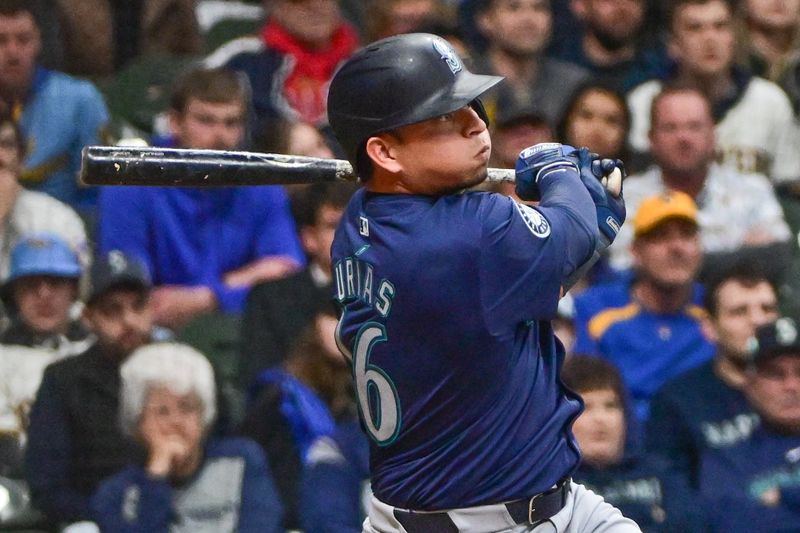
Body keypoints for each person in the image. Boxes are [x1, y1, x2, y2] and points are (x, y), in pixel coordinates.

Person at [326, 33, 635, 531]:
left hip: (534, 502)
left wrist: (581, 230)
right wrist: (560, 172)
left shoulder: (361, 220)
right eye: (445, 117)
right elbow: (569, 231)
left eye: (472, 106)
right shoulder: (464, 231)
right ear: (384, 152)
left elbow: (515, 290)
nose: (477, 126)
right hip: (479, 522)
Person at [98, 67, 305, 329]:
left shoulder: (260, 181)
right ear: (175, 122)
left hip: (242, 328)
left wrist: (209, 297)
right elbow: (128, 285)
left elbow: (285, 270)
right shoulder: (133, 179)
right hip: (153, 331)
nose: (220, 136)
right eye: (206, 120)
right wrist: (244, 282)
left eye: (231, 123)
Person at [24, 250, 159, 528]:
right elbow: (47, 486)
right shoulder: (63, 381)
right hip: (94, 518)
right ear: (88, 317)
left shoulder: (184, 371)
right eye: (113, 310)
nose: (129, 321)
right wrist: (112, 514)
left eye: (138, 307)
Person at [90, 342, 284, 532]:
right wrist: (156, 477)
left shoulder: (242, 460)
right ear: (138, 423)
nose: (176, 421)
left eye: (187, 408)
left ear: (204, 416)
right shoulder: (116, 493)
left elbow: (263, 523)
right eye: (162, 411)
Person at [609, 84, 792, 275]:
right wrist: (738, 256)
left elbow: (778, 257)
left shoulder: (753, 189)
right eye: (670, 128)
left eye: (694, 126)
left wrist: (671, 263)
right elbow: (622, 267)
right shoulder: (625, 197)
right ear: (651, 139)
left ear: (713, 134)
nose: (683, 138)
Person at [573, 191, 715, 422]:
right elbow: (584, 390)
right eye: (660, 237)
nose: (676, 247)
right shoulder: (595, 307)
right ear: (636, 251)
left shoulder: (717, 308)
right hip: (626, 441)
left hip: (701, 437)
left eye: (687, 236)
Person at [626, 0, 800, 184]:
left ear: (734, 36)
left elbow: (788, 190)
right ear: (673, 43)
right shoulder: (644, 101)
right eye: (694, 28)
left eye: (720, 27)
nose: (709, 39)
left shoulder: (769, 102)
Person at [647, 261, 778, 489]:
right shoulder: (678, 400)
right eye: (739, 312)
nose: (758, 321)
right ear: (709, 327)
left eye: (767, 309)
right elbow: (673, 490)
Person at [240, 181, 356, 388]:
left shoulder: (393, 291)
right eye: (334, 226)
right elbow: (260, 379)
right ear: (310, 238)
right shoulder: (271, 299)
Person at [563, 356, 699, 532]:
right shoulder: (552, 490)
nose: (601, 419)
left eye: (611, 406)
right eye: (586, 407)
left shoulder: (661, 474)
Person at [0, 0, 111, 214]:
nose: (12, 52)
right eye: (1, 41)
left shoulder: (79, 100)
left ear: (39, 42)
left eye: (23, 40)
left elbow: (99, 191)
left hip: (58, 229)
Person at [698, 317, 800, 531]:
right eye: (775, 374)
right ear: (750, 384)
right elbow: (734, 524)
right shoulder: (725, 460)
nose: (791, 386)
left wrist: (785, 495)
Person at [204, 0, 359, 129]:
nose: (316, 7)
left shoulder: (362, 63)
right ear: (274, 6)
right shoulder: (241, 58)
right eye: (299, 2)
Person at [471, 0, 591, 129]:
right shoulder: (465, 87)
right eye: (513, 7)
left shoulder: (575, 86)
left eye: (539, 8)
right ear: (486, 19)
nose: (528, 20)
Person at [0, 110, 88, 281]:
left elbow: (78, 293)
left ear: (22, 158)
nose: (0, 156)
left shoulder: (56, 217)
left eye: (7, 145)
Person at [52, 0, 202, 78]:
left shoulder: (174, 5)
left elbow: (190, 53)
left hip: (159, 99)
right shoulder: (66, 5)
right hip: (90, 97)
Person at [550, 0, 668, 92]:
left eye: (633, 0)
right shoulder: (555, 64)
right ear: (581, 5)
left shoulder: (659, 72)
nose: (623, 7)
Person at [0, 233, 90, 354]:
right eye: (31, 284)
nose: (44, 294)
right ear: (14, 294)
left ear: (74, 290)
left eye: (55, 282)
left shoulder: (99, 350)